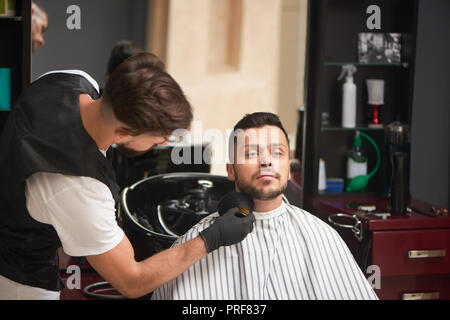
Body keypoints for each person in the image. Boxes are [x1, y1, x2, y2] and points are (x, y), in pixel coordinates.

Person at [0, 52, 255, 299]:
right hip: (20, 282)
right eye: (159, 140)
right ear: (122, 134)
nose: (164, 143)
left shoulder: (69, 80)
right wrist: (211, 238)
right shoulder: (77, 187)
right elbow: (132, 281)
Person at [152, 112, 378, 300]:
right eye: (251, 153)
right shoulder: (194, 241)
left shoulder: (322, 236)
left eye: (277, 152)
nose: (266, 161)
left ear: (289, 169)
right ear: (230, 170)